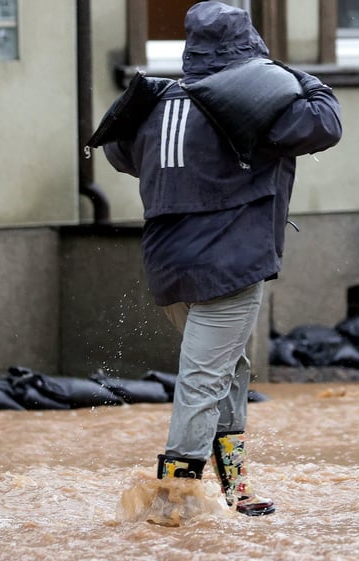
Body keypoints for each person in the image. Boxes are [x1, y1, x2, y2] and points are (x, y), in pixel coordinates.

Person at [100, 2, 342, 515]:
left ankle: (236, 490)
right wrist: (287, 73)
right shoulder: (255, 107)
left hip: (168, 264)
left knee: (228, 366)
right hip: (228, 266)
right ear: (248, 45)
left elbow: (120, 155)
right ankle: (173, 502)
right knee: (204, 376)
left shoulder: (162, 102)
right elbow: (325, 121)